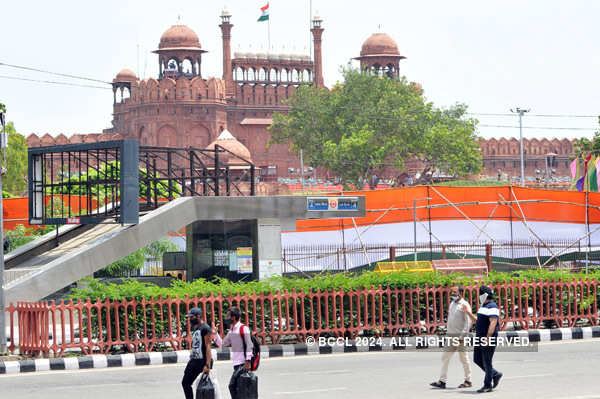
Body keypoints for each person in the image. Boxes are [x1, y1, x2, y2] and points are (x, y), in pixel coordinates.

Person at [430, 285, 476, 389]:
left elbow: (468, 322)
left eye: (455, 292)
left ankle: (468, 380)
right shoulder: (452, 304)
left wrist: (462, 336)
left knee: (464, 359)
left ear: (461, 293)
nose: (453, 294)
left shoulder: (464, 305)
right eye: (452, 292)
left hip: (460, 337)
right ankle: (442, 381)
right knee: (445, 358)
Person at [213, 306, 254, 399]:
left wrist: (248, 361)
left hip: (243, 364)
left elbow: (249, 345)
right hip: (236, 364)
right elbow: (222, 344)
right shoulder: (232, 331)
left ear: (233, 317)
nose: (226, 318)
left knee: (233, 387)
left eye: (227, 316)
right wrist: (215, 334)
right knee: (238, 389)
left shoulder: (243, 328)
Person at [473, 285, 503, 393]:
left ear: (484, 295)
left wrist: (487, 338)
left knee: (487, 362)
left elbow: (493, 323)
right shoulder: (483, 306)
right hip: (479, 338)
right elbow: (479, 320)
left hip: (487, 338)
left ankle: (487, 385)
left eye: (480, 294)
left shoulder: (492, 306)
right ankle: (495, 374)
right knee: (477, 359)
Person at [181, 307, 214, 399]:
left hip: (202, 362)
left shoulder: (205, 328)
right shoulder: (196, 327)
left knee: (204, 386)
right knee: (185, 383)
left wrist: (207, 364)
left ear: (198, 316)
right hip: (194, 361)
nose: (190, 320)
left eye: (192, 317)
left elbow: (208, 346)